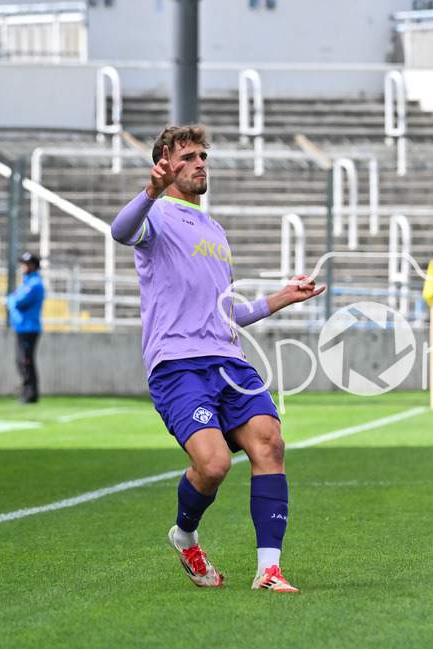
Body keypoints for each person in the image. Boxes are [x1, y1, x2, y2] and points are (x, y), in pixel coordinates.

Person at [111, 123, 325, 592]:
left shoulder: (215, 230)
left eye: (203, 156)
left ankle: (268, 569)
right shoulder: (157, 215)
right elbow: (120, 231)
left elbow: (225, 312)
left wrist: (280, 298)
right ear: (166, 162)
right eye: (188, 157)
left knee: (270, 442)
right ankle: (185, 535)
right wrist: (151, 189)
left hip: (228, 359)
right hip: (178, 364)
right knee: (214, 465)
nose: (200, 163)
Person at [6, 252, 45, 403]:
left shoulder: (34, 284)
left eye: (25, 264)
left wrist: (10, 300)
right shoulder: (27, 283)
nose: (22, 266)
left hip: (29, 328)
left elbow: (17, 302)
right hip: (22, 327)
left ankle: (31, 394)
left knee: (26, 361)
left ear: (33, 266)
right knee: (22, 361)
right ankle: (28, 391)